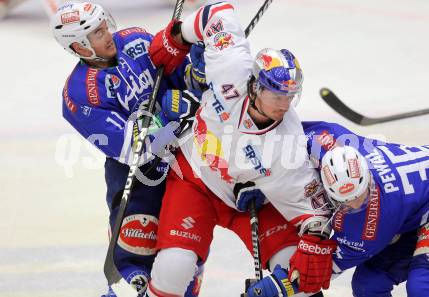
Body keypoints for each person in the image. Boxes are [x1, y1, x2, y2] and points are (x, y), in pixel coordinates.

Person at [144, 2, 337, 296]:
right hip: (195, 179)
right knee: (174, 267)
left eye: (290, 96)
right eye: (277, 95)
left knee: (298, 277)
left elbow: (314, 210)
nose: (284, 105)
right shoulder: (231, 67)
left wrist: (313, 244)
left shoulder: (287, 144)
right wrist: (179, 37)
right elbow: (216, 13)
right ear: (256, 86)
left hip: (253, 202)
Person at [50, 2, 205, 296]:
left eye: (104, 26)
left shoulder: (136, 39)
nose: (107, 34)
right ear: (80, 47)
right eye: (96, 33)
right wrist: (166, 114)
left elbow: (184, 79)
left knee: (184, 259)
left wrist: (196, 75)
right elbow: (132, 150)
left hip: (188, 158)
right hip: (139, 176)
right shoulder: (79, 94)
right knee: (136, 261)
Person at [302, 121, 429, 297]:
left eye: (360, 195)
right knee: (368, 285)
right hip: (414, 213)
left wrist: (277, 284)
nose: (355, 205)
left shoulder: (373, 224)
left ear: (368, 177)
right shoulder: (327, 142)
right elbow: (286, 130)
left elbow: (319, 270)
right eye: (344, 202)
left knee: (424, 285)